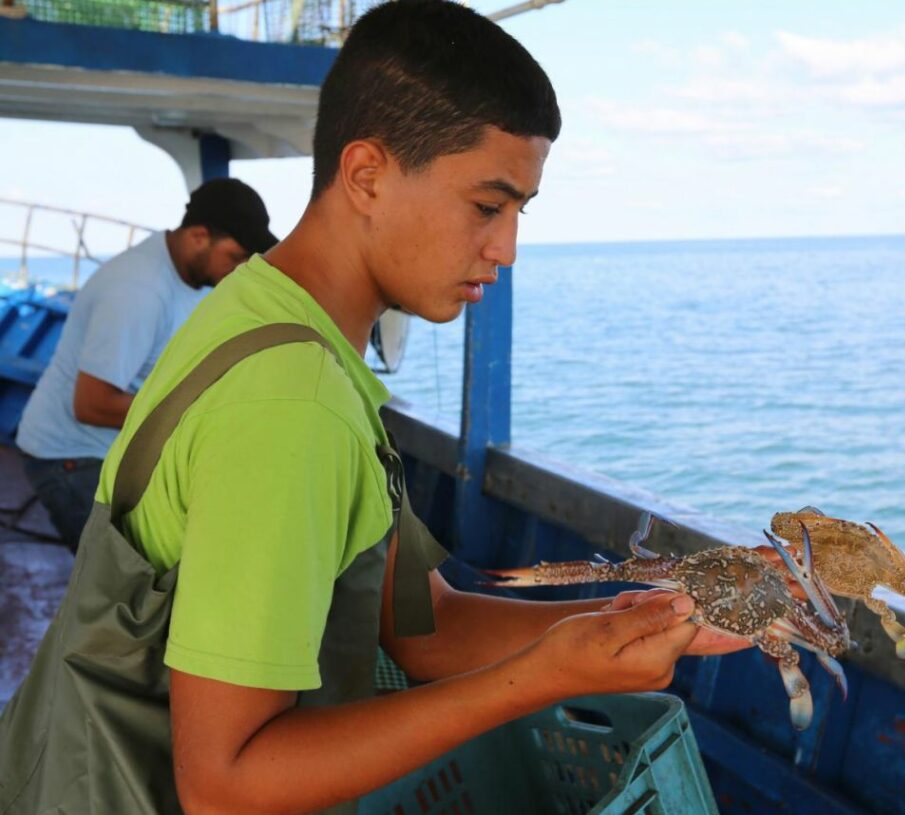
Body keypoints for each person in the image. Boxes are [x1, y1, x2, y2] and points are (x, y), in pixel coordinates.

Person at [0, 3, 773, 813]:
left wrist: (641, 616)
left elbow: (424, 625)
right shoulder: (291, 405)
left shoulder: (278, 322)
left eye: (519, 212)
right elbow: (224, 786)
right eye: (486, 205)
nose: (506, 247)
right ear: (366, 174)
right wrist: (539, 680)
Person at [14, 177, 275, 552]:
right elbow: (92, 404)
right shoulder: (139, 291)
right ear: (199, 236)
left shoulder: (183, 272)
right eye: (235, 258)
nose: (239, 270)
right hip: (70, 459)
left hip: (110, 450)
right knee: (122, 588)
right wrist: (199, 417)